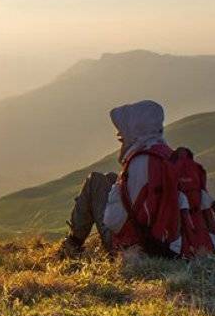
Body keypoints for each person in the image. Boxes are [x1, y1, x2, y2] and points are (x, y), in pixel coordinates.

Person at [61, 99, 186, 257]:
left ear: (135, 133)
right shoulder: (168, 155)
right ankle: (73, 242)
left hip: (135, 249)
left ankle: (73, 243)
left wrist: (111, 202)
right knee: (110, 178)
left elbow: (113, 221)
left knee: (95, 181)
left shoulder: (139, 162)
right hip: (170, 245)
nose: (121, 140)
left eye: (122, 137)